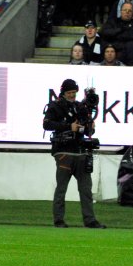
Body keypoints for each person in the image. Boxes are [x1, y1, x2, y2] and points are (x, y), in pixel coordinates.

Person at [42, 79, 106, 229]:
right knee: (61, 188)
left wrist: (90, 126)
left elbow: (87, 131)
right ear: (63, 93)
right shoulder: (55, 106)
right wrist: (68, 127)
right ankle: (59, 220)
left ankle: (90, 220)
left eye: (74, 93)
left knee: (86, 189)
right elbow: (47, 124)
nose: (72, 95)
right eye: (69, 93)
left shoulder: (79, 107)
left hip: (80, 151)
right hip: (64, 151)